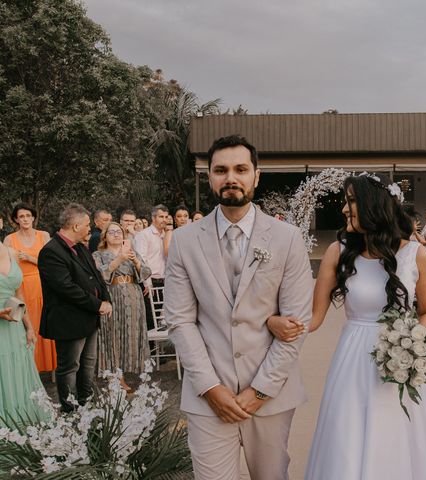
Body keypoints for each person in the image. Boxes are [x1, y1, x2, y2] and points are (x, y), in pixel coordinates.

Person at [270, 173, 426, 479]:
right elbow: (313, 318)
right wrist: (276, 322)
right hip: (353, 361)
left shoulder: (416, 255)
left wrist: (416, 346)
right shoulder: (337, 252)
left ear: (373, 205)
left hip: (400, 360)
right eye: (345, 201)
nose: (343, 209)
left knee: (396, 439)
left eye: (351, 201)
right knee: (347, 437)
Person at [164, 134, 313, 480]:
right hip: (207, 396)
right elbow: (180, 321)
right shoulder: (185, 240)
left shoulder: (287, 238)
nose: (231, 177)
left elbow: (297, 323)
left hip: (272, 395)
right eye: (221, 170)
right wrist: (211, 388)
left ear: (256, 176)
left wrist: (260, 391)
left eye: (241, 169)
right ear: (210, 177)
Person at [38, 204, 112, 412]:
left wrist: (106, 299)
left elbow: (96, 276)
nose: (90, 228)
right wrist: (98, 305)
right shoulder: (51, 252)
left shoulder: (80, 247)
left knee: (88, 365)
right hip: (68, 320)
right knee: (70, 367)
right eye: (88, 224)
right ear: (76, 225)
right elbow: (66, 289)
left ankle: (86, 405)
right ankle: (70, 410)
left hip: (89, 318)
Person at [93, 222, 151, 392]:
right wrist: (119, 259)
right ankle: (116, 380)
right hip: (112, 295)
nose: (116, 234)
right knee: (113, 335)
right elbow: (100, 275)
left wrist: (136, 262)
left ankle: (131, 372)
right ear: (105, 236)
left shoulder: (132, 252)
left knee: (131, 334)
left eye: (119, 232)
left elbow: (146, 272)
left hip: (134, 296)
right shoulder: (98, 254)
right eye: (112, 232)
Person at [3, 203, 56, 373]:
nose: (25, 219)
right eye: (21, 216)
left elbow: (53, 264)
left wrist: (30, 258)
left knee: (44, 323)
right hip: (21, 287)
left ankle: (50, 366)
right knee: (27, 324)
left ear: (33, 217)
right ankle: (29, 369)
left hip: (42, 285)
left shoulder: (44, 235)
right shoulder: (10, 239)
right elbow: (7, 267)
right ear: (16, 220)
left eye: (28, 215)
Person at [0, 240, 46, 426]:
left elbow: (19, 295)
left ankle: (24, 425)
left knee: (19, 370)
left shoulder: (12, 253)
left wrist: (28, 327)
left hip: (15, 326)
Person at [134, 205, 170, 329]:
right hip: (150, 284)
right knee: (150, 321)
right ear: (153, 218)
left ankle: (159, 348)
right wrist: (147, 283)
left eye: (166, 217)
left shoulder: (167, 235)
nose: (164, 220)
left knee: (162, 321)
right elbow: (141, 259)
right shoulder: (143, 235)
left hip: (165, 282)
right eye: (161, 217)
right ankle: (149, 348)